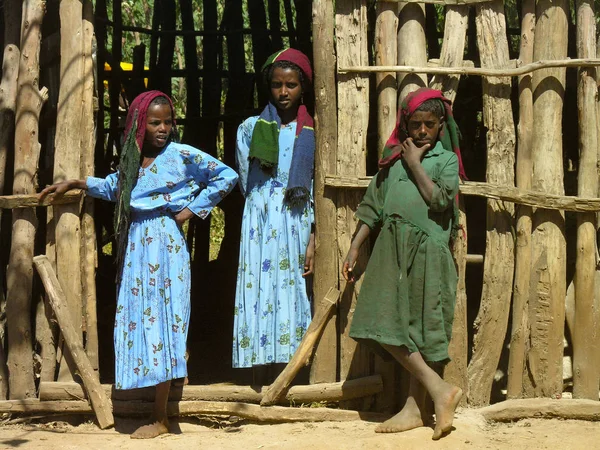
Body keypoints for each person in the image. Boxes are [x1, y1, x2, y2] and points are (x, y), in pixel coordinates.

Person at [39, 90, 238, 439]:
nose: (163, 128)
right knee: (141, 315)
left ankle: (161, 417)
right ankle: (149, 403)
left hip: (165, 242)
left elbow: (226, 176)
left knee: (165, 318)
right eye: (155, 122)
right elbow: (116, 188)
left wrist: (190, 211)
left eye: (168, 122)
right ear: (138, 124)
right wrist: (78, 183)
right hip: (136, 247)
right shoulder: (132, 161)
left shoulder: (181, 155)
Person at [342, 88, 466, 440]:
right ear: (405, 124)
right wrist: (355, 247)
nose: (422, 131)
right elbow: (372, 206)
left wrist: (415, 164)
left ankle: (417, 408)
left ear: (441, 126)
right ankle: (439, 389)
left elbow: (440, 200)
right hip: (391, 251)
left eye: (430, 124)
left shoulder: (445, 161)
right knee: (377, 320)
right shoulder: (392, 160)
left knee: (424, 328)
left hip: (429, 252)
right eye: (416, 124)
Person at [232, 49, 315, 374]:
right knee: (257, 285)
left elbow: (316, 186)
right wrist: (264, 205)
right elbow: (244, 179)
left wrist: (313, 235)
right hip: (259, 220)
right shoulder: (250, 128)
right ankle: (258, 369)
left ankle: (293, 368)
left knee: (292, 287)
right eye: (277, 85)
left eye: (291, 85)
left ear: (303, 87)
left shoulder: (312, 131)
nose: (283, 92)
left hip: (295, 218)